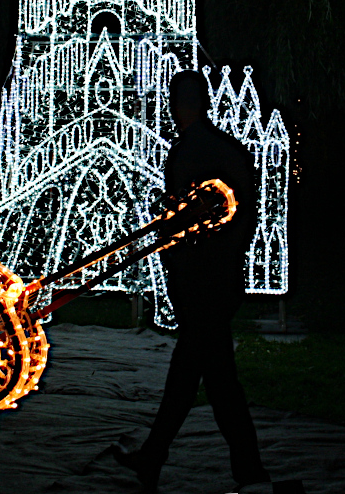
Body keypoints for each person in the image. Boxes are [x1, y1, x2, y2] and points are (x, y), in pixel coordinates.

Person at [113, 70, 269, 492]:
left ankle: (164, 457)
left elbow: (180, 223)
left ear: (181, 104)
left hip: (200, 283)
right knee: (209, 377)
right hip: (221, 280)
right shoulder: (228, 150)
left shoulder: (188, 152)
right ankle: (231, 466)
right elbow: (244, 219)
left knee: (204, 376)